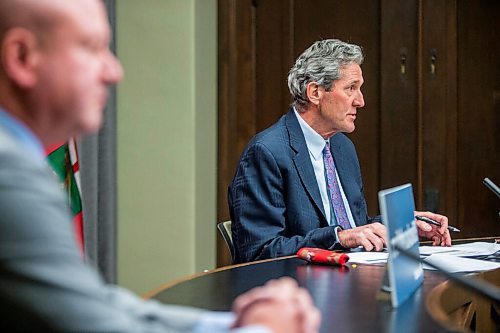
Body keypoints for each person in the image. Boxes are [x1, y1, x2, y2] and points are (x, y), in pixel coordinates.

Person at [0, 0, 321, 332]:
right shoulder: (8, 172)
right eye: (91, 48)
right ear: (22, 57)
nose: (114, 71)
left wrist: (228, 325)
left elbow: (86, 300)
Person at [228, 39, 451, 264]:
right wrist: (340, 237)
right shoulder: (266, 152)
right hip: (300, 290)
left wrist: (398, 225)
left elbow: (354, 226)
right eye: (351, 88)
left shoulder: (342, 146)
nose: (361, 101)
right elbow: (259, 252)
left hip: (353, 276)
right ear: (315, 92)